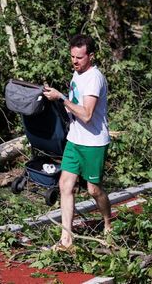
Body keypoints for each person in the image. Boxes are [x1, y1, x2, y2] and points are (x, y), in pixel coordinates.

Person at [42, 34, 111, 250]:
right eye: (72, 56)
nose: (75, 61)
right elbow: (72, 106)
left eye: (79, 58)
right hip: (75, 139)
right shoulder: (77, 73)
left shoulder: (94, 78)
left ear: (90, 56)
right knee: (65, 185)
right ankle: (66, 240)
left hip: (93, 142)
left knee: (93, 190)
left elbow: (87, 114)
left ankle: (108, 223)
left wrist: (61, 98)